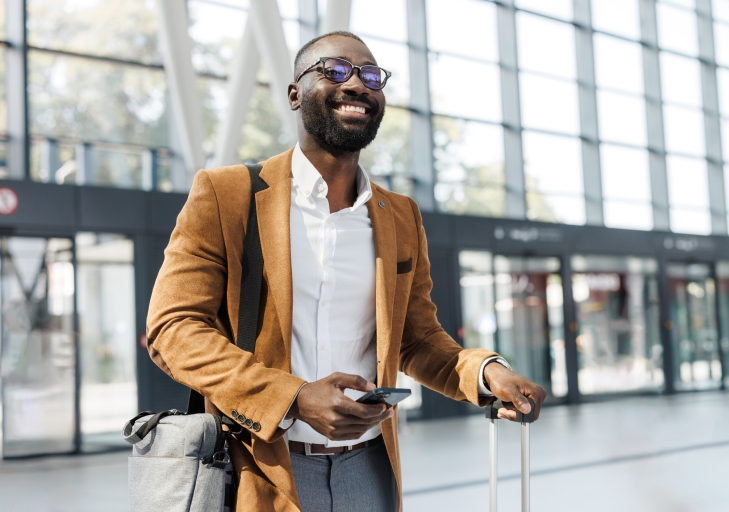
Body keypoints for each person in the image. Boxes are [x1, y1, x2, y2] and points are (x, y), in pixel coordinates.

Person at [146, 30, 546, 512]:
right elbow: (173, 329)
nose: (357, 84)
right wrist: (292, 398)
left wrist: (487, 372)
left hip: (370, 470)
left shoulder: (400, 215)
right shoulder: (226, 194)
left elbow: (416, 339)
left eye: (370, 75)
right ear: (295, 93)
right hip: (261, 467)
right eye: (335, 71)